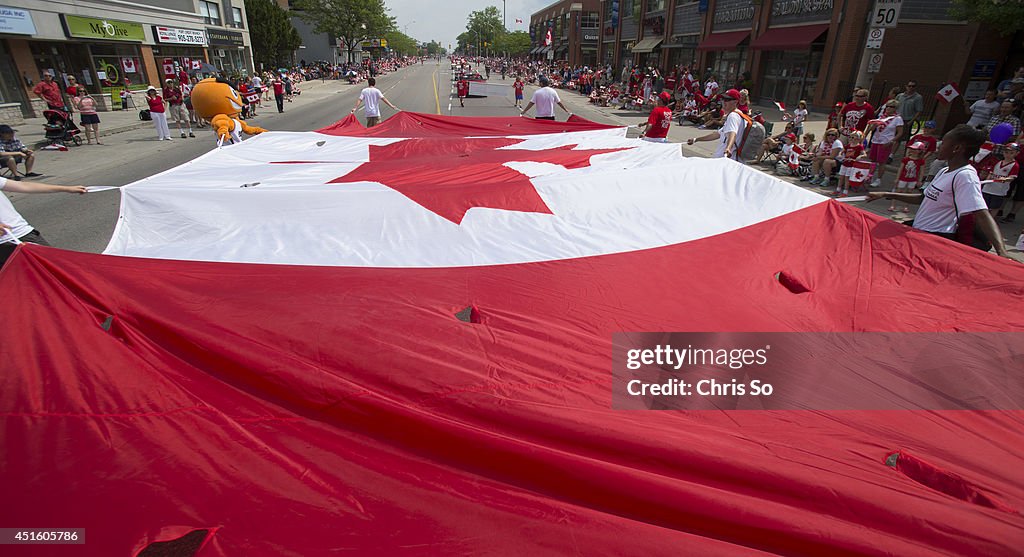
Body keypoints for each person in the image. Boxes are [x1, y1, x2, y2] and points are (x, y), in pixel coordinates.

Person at [867, 125, 1009, 257]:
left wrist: (1001, 252)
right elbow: (924, 198)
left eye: (943, 143)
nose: (938, 147)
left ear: (957, 148)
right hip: (919, 230)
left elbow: (981, 214)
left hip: (935, 238)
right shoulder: (944, 171)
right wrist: (886, 194)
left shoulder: (965, 176)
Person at [0, 175, 87, 267]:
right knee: (55, 271)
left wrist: (67, 189)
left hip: (19, 235)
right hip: (12, 238)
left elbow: (24, 186)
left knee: (54, 271)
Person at [685, 88, 745, 160]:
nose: (723, 102)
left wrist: (728, 148)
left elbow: (732, 133)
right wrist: (696, 139)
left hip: (725, 159)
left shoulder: (733, 116)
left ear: (735, 102)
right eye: (723, 99)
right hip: (723, 158)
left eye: (727, 100)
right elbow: (718, 134)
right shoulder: (736, 115)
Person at [864, 100, 904, 187]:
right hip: (876, 140)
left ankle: (878, 179)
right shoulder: (882, 117)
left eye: (891, 107)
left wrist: (892, 141)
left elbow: (900, 132)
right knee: (873, 160)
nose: (888, 108)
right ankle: (869, 176)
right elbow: (873, 127)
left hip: (886, 141)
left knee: (881, 162)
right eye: (887, 106)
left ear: (895, 109)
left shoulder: (897, 119)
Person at [982, 142, 1019, 216]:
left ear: (1016, 153)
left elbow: (1012, 177)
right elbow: (991, 172)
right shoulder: (997, 162)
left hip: (999, 191)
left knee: (995, 208)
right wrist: (986, 180)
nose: (1008, 155)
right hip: (988, 189)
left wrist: (1005, 179)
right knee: (984, 207)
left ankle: (991, 222)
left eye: (1011, 153)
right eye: (1006, 152)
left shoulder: (1015, 165)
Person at [890, 141, 927, 212]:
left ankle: (906, 206)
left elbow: (921, 171)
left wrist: (919, 180)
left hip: (913, 179)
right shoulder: (906, 159)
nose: (912, 150)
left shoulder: (921, 161)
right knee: (898, 191)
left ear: (920, 151)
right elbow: (900, 169)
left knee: (909, 193)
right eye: (912, 149)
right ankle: (893, 205)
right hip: (903, 178)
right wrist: (897, 178)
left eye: (915, 149)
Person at [834, 131, 866, 196]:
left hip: (851, 164)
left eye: (853, 137)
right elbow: (842, 151)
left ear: (858, 139)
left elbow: (864, 154)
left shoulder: (859, 147)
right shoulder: (848, 145)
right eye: (850, 137)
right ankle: (838, 189)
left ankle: (845, 192)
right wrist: (840, 154)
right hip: (845, 163)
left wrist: (860, 156)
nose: (851, 139)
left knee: (847, 178)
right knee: (841, 177)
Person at [895, 80, 923, 152]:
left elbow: (919, 111)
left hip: (906, 120)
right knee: (891, 136)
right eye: (909, 86)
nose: (911, 87)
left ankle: (891, 155)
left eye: (913, 86)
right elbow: (894, 106)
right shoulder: (900, 96)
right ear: (906, 86)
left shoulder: (918, 98)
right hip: (896, 119)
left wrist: (911, 121)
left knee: (899, 138)